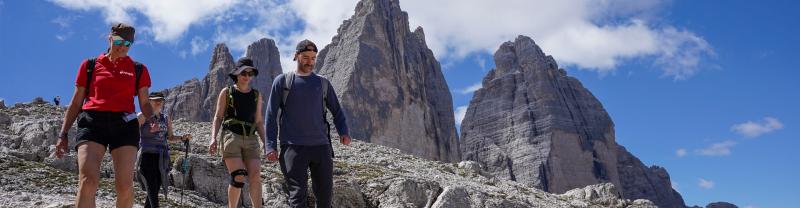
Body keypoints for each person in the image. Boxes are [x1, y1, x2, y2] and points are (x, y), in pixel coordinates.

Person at [54, 23, 155, 208]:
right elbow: (76, 102)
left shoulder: (139, 69)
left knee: (124, 186)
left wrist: (152, 118)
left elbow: (145, 102)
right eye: (118, 40)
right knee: (88, 181)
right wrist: (63, 134)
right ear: (109, 38)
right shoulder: (90, 65)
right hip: (93, 122)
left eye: (127, 43)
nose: (122, 46)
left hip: (125, 125)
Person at [264, 39, 352, 208]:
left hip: (321, 147)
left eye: (313, 58)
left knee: (325, 198)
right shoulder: (282, 82)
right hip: (292, 148)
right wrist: (270, 146)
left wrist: (344, 132)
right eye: (305, 57)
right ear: (296, 56)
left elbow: (337, 111)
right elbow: (270, 115)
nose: (310, 62)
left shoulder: (323, 83)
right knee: (297, 198)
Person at [208, 57, 266, 208]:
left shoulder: (256, 95)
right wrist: (213, 138)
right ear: (237, 74)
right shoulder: (227, 92)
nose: (247, 76)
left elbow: (259, 121)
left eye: (250, 73)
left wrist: (267, 143)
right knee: (239, 176)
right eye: (243, 73)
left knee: (255, 176)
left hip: (251, 138)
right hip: (231, 137)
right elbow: (218, 117)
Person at [136, 92, 192, 208]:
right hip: (147, 155)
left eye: (161, 100)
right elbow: (132, 132)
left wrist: (182, 137)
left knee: (155, 188)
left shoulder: (166, 118)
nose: (159, 102)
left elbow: (170, 137)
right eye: (155, 100)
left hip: (162, 158)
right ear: (149, 101)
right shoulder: (142, 116)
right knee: (152, 187)